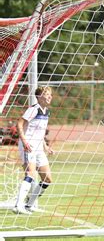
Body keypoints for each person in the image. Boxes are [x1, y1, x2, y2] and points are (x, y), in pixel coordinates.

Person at [13, 86, 55, 215]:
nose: (49, 97)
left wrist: (45, 146)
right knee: (31, 174)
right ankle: (18, 206)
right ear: (39, 97)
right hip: (28, 145)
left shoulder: (46, 111)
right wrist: (24, 141)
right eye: (46, 94)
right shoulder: (33, 110)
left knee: (47, 178)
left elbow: (41, 132)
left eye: (50, 95)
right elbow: (19, 124)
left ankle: (29, 204)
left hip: (38, 147)